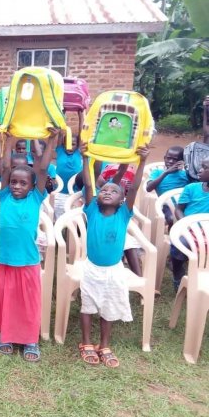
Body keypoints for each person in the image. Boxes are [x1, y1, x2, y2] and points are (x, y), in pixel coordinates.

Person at [78, 142, 149, 368]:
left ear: (122, 200)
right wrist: (86, 158)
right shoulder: (91, 209)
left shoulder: (123, 214)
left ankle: (104, 344)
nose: (107, 191)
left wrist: (143, 161)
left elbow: (135, 188)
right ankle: (86, 342)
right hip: (91, 269)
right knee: (87, 305)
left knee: (108, 307)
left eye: (114, 191)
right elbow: (89, 182)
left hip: (114, 271)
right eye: (104, 190)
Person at [0, 128, 58, 362]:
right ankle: (7, 335)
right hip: (7, 261)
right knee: (8, 301)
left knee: (28, 303)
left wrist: (52, 140)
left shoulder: (36, 197)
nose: (17, 186)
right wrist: (9, 140)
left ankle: (30, 338)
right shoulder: (5, 195)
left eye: (23, 184)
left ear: (32, 187)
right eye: (14, 183)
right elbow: (5, 167)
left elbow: (42, 168)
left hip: (28, 261)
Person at [170, 158, 209, 291]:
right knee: (179, 245)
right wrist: (185, 224)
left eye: (205, 167)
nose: (200, 169)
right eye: (201, 165)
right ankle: (178, 276)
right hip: (190, 229)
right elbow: (179, 209)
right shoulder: (191, 188)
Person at [146, 146, 189, 228]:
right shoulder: (158, 172)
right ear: (164, 158)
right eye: (168, 158)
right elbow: (149, 188)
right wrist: (166, 173)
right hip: (165, 204)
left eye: (175, 160)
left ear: (182, 161)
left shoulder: (185, 174)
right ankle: (171, 233)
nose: (171, 161)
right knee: (171, 219)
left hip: (183, 204)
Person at [54, 133, 83, 219]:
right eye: (67, 144)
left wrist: (81, 119)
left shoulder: (78, 152)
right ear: (63, 144)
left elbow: (81, 135)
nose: (69, 147)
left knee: (72, 219)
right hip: (59, 193)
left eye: (73, 144)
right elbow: (60, 134)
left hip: (74, 193)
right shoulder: (60, 150)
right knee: (59, 218)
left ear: (77, 145)